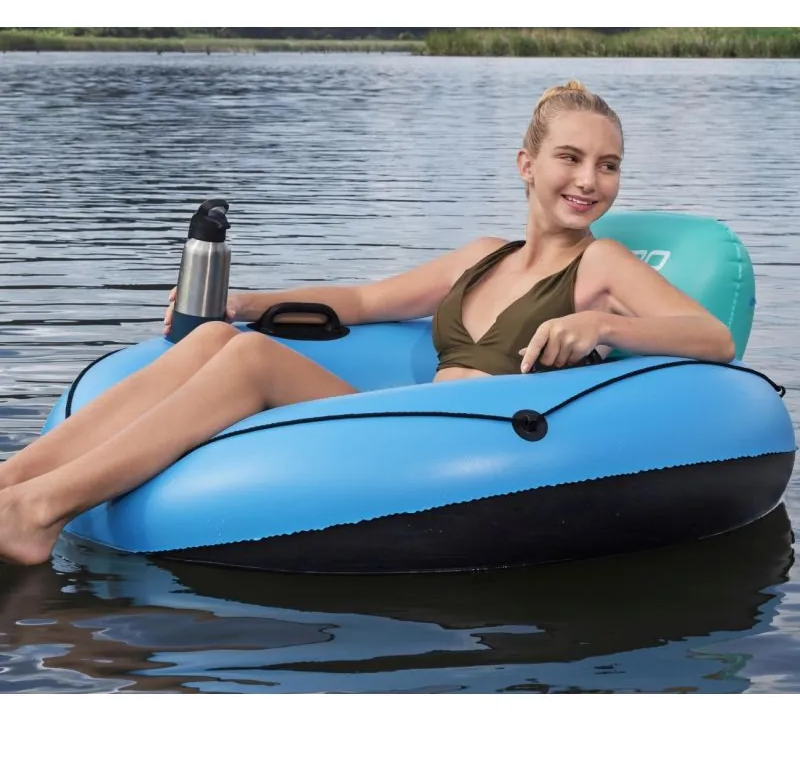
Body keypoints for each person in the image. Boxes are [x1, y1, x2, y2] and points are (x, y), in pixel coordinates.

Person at [0, 80, 735, 566]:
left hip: (466, 442)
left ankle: (40, 511)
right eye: (570, 158)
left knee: (252, 362)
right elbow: (365, 301)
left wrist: (603, 328)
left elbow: (714, 339)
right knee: (223, 339)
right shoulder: (483, 256)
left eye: (608, 165)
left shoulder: (601, 262)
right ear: (526, 164)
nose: (588, 181)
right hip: (403, 423)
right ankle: (16, 480)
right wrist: (243, 304)